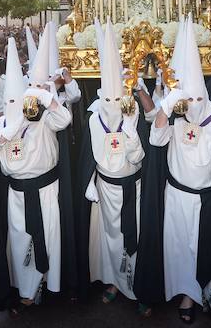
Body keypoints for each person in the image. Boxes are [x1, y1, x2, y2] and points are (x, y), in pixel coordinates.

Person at [136, 18, 211, 326]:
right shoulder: (174, 117)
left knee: (207, 249)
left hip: (209, 201)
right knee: (179, 248)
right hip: (176, 196)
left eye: (198, 99)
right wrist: (167, 104)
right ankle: (184, 293)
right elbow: (156, 139)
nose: (194, 105)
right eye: (189, 99)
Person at [0, 28, 77, 317]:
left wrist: (47, 99)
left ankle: (52, 282)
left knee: (52, 236)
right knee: (21, 241)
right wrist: (10, 131)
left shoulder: (42, 121)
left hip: (47, 190)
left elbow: (64, 119)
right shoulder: (3, 126)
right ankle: (27, 290)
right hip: (17, 194)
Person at [76, 21, 153, 314]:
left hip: (133, 186)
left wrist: (131, 130)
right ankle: (114, 281)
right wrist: (91, 183)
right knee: (110, 235)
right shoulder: (95, 119)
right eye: (106, 98)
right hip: (106, 189)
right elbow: (93, 156)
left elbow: (138, 157)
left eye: (116, 98)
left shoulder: (132, 117)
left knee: (135, 234)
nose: (111, 103)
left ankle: (138, 286)